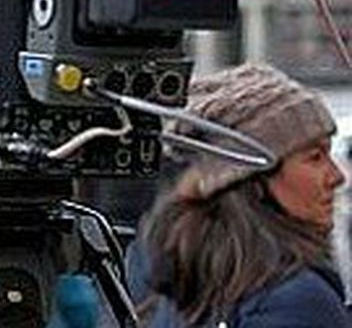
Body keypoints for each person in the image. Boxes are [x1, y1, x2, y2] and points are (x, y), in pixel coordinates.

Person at [133, 62, 351, 327]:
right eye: (315, 157)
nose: (337, 177)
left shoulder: (190, 287)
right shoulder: (293, 300)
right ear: (253, 181)